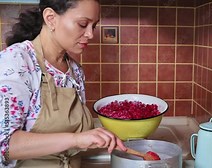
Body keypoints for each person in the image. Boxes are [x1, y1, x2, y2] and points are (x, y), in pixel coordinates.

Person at [0, 0, 126, 167]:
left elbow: (77, 139)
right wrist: (76, 139)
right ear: (51, 18)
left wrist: (97, 138)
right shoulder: (15, 62)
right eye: (83, 24)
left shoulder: (76, 72)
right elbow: (5, 146)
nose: (90, 34)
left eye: (93, 26)